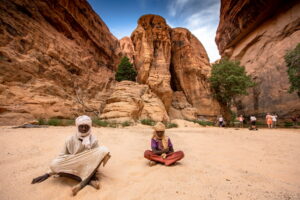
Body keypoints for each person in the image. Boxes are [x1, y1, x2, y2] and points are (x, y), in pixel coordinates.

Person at [31, 115, 111, 195]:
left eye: (86, 126)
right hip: (73, 164)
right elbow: (62, 157)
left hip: (87, 165)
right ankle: (87, 180)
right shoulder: (70, 139)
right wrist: (48, 173)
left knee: (103, 150)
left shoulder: (93, 140)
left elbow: (96, 157)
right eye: (81, 126)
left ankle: (83, 181)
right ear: (77, 127)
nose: (83, 129)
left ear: (90, 127)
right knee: (53, 164)